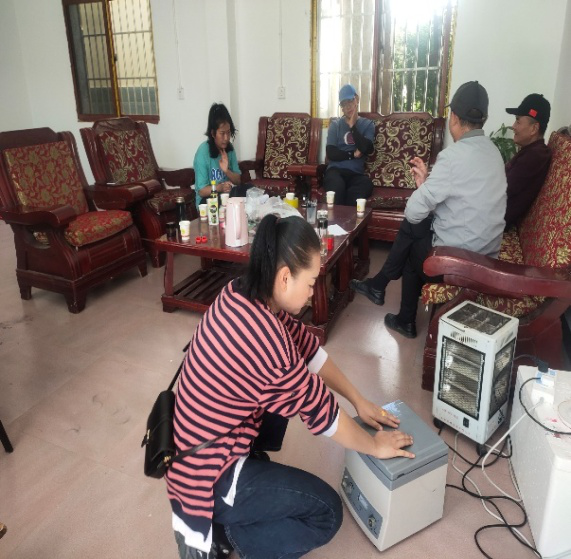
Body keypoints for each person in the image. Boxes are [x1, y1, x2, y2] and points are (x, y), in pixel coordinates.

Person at [166, 214, 415, 559]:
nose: (313, 294)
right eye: (311, 283)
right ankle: (233, 534)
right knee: (326, 513)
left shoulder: (245, 293)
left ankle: (239, 504)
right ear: (285, 277)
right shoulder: (264, 339)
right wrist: (374, 445)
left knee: (288, 389)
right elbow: (324, 415)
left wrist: (359, 400)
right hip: (207, 476)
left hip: (200, 444)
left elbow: (309, 350)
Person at [350, 81, 507, 338]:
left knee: (412, 239)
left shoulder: (453, 156)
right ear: (484, 119)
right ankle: (384, 293)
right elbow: (460, 201)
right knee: (414, 233)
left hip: (460, 263)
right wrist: (425, 185)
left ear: (454, 117)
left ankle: (391, 300)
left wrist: (422, 191)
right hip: (486, 256)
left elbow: (413, 211)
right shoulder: (494, 153)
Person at [504, 93, 552, 228]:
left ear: (534, 128)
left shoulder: (534, 157)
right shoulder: (533, 151)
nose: (513, 126)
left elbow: (501, 190)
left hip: (491, 221)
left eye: (518, 121)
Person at [323, 84, 375, 206]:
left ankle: (347, 218)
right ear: (341, 107)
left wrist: (352, 126)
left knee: (366, 185)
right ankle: (337, 217)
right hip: (335, 171)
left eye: (350, 101)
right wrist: (352, 154)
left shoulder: (368, 124)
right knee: (337, 188)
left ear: (357, 99)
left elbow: (366, 148)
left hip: (356, 174)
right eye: (344, 104)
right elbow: (331, 153)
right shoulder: (335, 125)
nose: (348, 107)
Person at [194, 103, 247, 208]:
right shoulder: (202, 152)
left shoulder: (229, 149)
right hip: (208, 200)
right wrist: (220, 188)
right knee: (226, 201)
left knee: (249, 189)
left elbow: (238, 181)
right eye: (222, 133)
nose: (226, 138)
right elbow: (202, 191)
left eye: (228, 132)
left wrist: (227, 171)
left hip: (227, 196)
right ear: (213, 133)